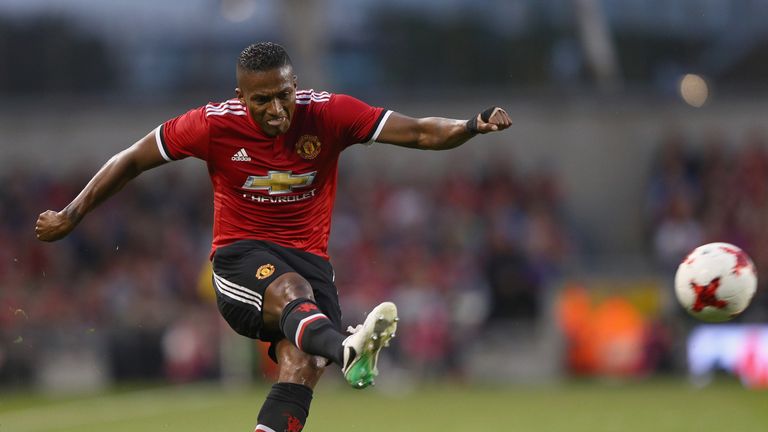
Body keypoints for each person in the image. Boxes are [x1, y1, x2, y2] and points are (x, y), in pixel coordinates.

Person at [35, 42, 512, 432]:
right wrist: (72, 214)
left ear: (295, 87)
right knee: (292, 295)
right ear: (241, 97)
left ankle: (334, 351)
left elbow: (422, 133)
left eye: (283, 95)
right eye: (261, 100)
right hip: (240, 259)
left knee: (302, 366)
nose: (276, 108)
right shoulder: (212, 124)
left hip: (310, 261)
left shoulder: (330, 114)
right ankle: (349, 348)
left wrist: (471, 126)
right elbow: (133, 157)